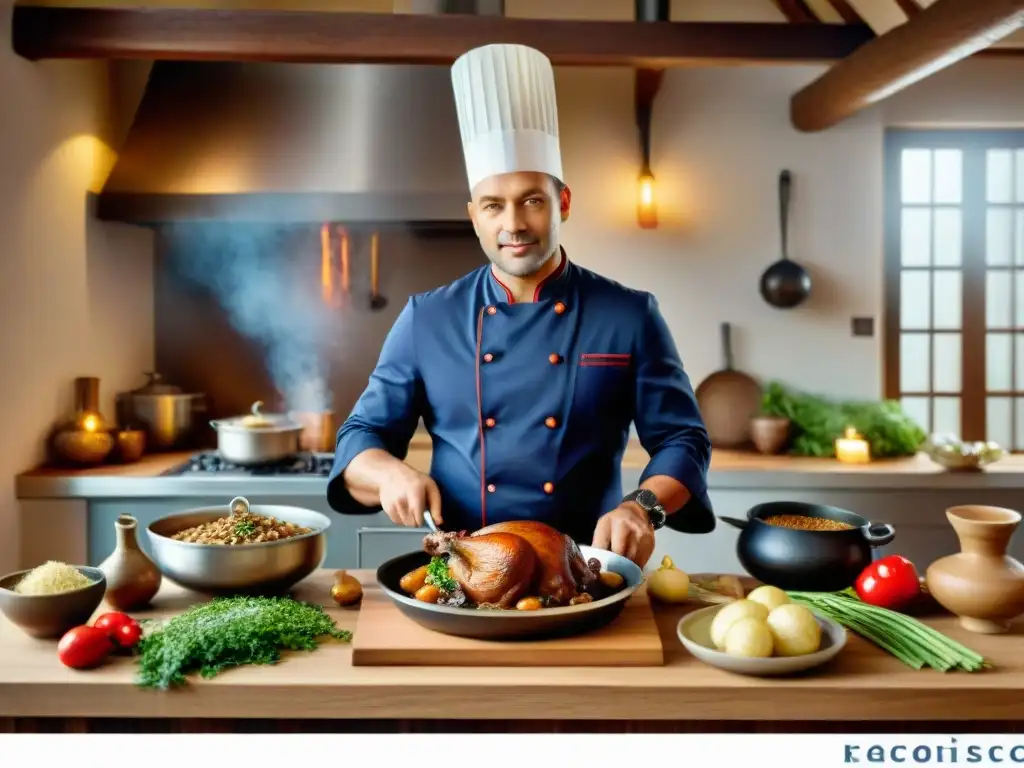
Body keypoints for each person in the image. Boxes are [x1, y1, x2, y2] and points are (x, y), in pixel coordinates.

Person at [327, 43, 714, 568]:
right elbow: (361, 437)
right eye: (494, 205)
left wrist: (642, 507)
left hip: (587, 570)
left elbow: (682, 438)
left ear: (565, 203)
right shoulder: (428, 318)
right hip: (462, 573)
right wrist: (389, 472)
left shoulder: (629, 315)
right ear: (474, 216)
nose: (514, 224)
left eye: (533, 200)